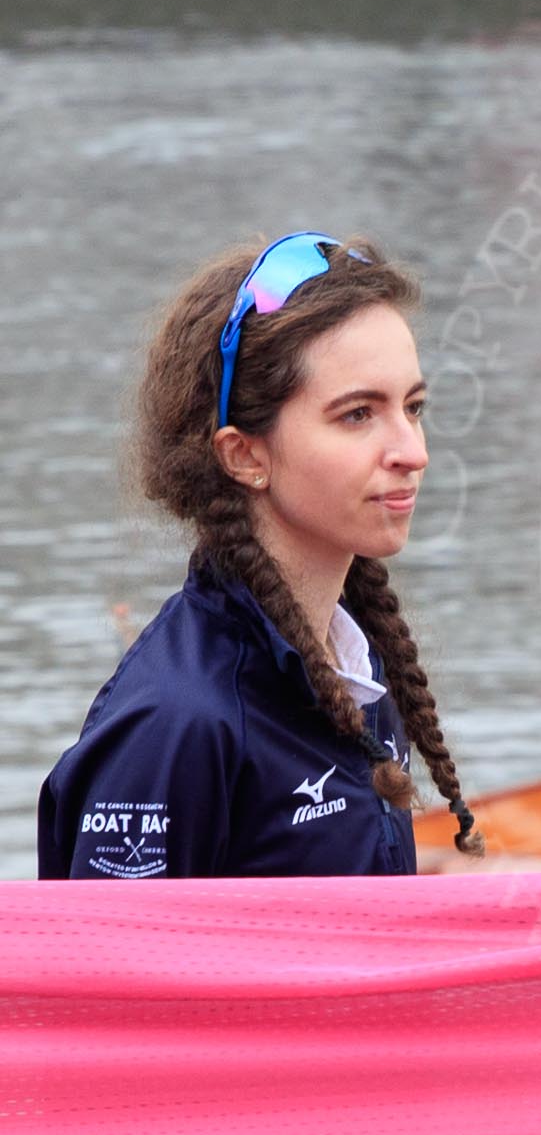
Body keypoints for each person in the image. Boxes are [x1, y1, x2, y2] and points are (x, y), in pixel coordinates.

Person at [39, 233, 483, 877]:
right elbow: (108, 973)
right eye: (358, 415)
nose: (412, 451)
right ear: (245, 455)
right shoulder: (177, 724)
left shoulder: (356, 666)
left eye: (412, 408)